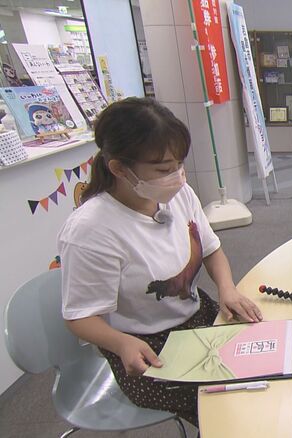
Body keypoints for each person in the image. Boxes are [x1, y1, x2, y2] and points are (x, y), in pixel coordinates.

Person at [58, 97, 262, 427]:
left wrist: (227, 288)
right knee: (228, 405)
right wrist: (121, 343)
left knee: (264, 366)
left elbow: (211, 249)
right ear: (119, 169)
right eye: (164, 170)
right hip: (145, 344)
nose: (178, 177)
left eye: (179, 164)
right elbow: (79, 316)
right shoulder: (90, 231)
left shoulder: (178, 194)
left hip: (198, 318)